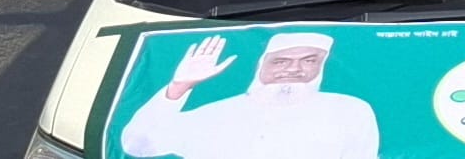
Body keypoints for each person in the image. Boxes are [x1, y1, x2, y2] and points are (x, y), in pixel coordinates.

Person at [120, 33, 380, 159]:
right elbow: (138, 146)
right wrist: (179, 87)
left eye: (309, 60)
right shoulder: (214, 116)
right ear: (260, 66)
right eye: (280, 61)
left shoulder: (349, 110)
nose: (294, 69)